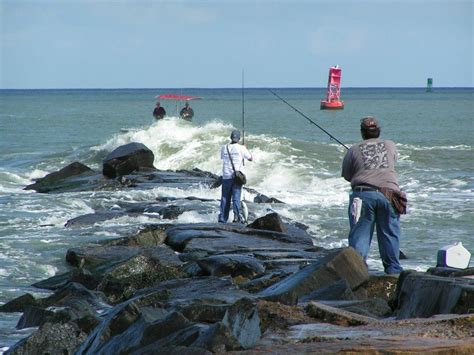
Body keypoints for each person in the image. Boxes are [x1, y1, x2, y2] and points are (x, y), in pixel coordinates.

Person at [341, 116, 403, 274]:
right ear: (379, 131)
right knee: (389, 234)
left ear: (362, 133)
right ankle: (393, 271)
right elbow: (392, 162)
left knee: (360, 235)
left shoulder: (354, 149)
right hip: (389, 194)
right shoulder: (390, 145)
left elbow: (347, 175)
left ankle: (357, 271)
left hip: (363, 194)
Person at [218, 130, 252, 223]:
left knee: (225, 198)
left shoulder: (224, 147)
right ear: (239, 138)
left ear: (231, 138)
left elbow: (222, 158)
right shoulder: (241, 148)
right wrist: (245, 148)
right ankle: (236, 217)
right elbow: (250, 158)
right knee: (236, 198)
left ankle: (222, 218)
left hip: (226, 176)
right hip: (237, 177)